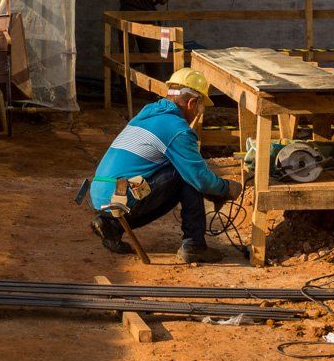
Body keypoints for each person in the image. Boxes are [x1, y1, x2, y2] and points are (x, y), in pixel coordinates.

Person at [85, 68, 242, 264]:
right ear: (192, 103)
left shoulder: (147, 114)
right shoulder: (177, 130)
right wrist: (225, 188)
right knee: (185, 174)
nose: (197, 114)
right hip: (120, 195)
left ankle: (111, 225)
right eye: (199, 109)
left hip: (101, 192)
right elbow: (199, 178)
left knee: (179, 171)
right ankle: (194, 245)